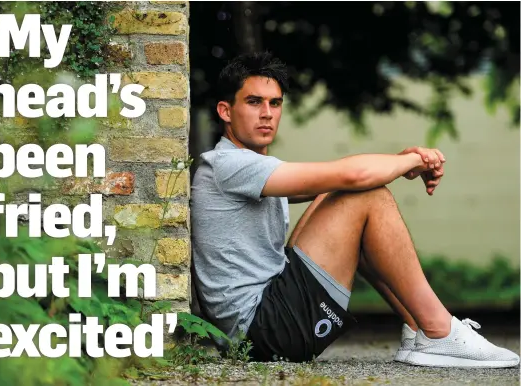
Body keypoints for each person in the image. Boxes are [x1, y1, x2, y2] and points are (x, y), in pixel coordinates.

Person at [190, 52, 520, 367]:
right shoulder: (228, 165)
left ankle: (420, 329)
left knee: (345, 192)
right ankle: (439, 330)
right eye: (253, 102)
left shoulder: (245, 167)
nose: (267, 113)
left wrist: (394, 162)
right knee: (366, 195)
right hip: (264, 332)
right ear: (225, 111)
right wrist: (414, 161)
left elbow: (343, 181)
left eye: (275, 103)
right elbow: (354, 175)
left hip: (263, 326)